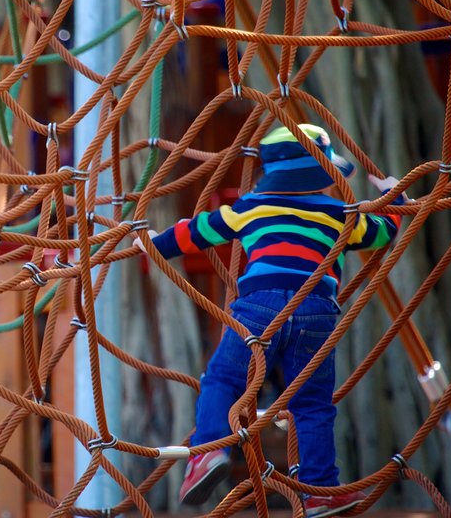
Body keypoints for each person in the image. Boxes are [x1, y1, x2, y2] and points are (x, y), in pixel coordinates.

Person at [134, 124, 404, 518]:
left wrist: (153, 244)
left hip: (259, 307)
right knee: (312, 404)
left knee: (224, 379)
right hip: (316, 310)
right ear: (323, 177)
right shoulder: (339, 213)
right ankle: (320, 491)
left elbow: (197, 232)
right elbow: (383, 232)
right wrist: (393, 196)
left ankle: (208, 452)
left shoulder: (252, 206)